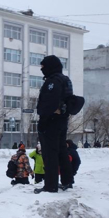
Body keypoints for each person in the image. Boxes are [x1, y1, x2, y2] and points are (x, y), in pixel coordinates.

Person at [34, 55, 73, 194]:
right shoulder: (65, 79)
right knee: (62, 151)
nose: (41, 69)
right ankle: (67, 181)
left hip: (51, 122)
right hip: (62, 121)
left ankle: (50, 186)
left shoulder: (53, 81)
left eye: (43, 66)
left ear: (50, 66)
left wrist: (43, 120)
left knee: (50, 154)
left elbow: (50, 103)